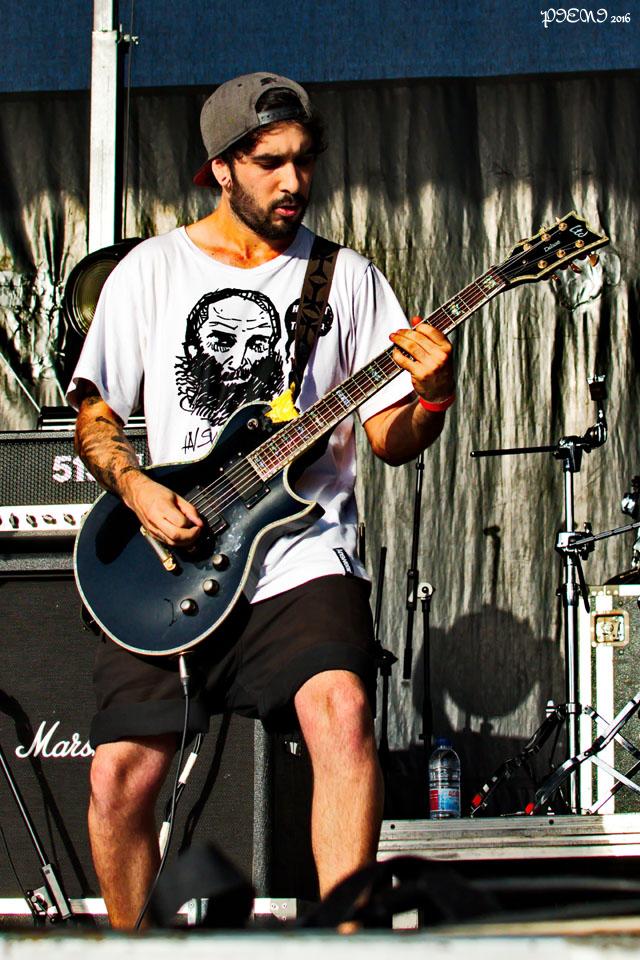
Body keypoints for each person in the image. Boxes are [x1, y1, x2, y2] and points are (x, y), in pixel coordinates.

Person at [67, 71, 454, 929]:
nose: (294, 181)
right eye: (270, 163)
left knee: (343, 715)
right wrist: (134, 485)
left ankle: (349, 936)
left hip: (303, 553)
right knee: (118, 776)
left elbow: (387, 439)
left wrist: (431, 397)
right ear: (220, 169)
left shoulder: (345, 277)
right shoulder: (151, 271)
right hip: (179, 549)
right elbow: (96, 414)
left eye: (304, 161)